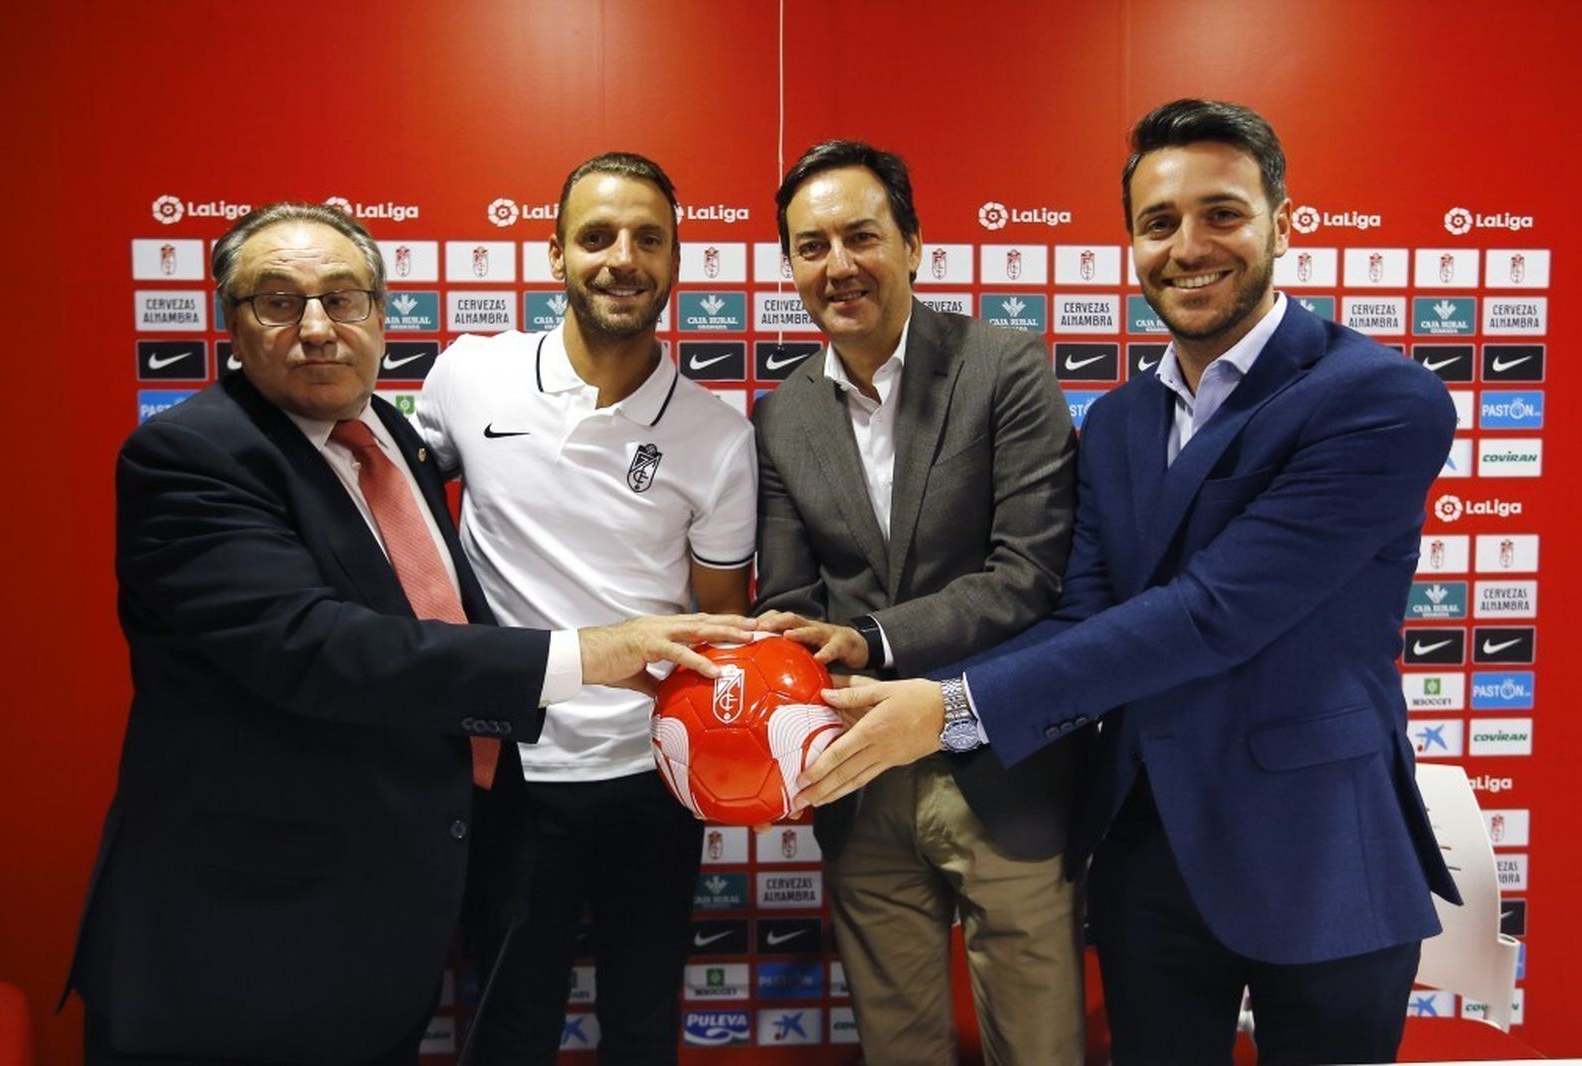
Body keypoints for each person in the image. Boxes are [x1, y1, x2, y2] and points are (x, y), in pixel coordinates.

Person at [805, 100, 1462, 1065]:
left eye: (1222, 213)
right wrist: (889, 669)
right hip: (1146, 846)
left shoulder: (1380, 397)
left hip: (1322, 846)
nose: (1189, 246)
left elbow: (1212, 615)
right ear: (1132, 243)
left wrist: (948, 708)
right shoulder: (1115, 421)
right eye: (1159, 223)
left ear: (1285, 218)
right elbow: (1084, 612)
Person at [65, 202, 752, 1066]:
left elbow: (432, 608)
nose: (317, 328)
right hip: (239, 932)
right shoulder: (191, 457)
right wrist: (589, 654)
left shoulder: (388, 437)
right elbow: (320, 647)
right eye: (277, 302)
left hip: (384, 906)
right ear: (231, 324)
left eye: (343, 299)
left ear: (382, 316)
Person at [415, 152, 756, 1064]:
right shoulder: (468, 375)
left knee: (643, 1025)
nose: (622, 258)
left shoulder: (720, 436)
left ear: (677, 262)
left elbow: (721, 626)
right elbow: (394, 521)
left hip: (652, 782)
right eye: (597, 235)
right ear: (555, 253)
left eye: (649, 238)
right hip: (511, 775)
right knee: (510, 1024)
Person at [753, 140, 1083, 1064]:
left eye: (862, 236)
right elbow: (786, 594)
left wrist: (867, 639)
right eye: (811, 247)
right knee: (898, 1047)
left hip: (1001, 762)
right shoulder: (782, 414)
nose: (839, 265)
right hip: (859, 777)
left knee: (1039, 1045)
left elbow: (1030, 573)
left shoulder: (1003, 368)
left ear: (913, 244)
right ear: (790, 266)